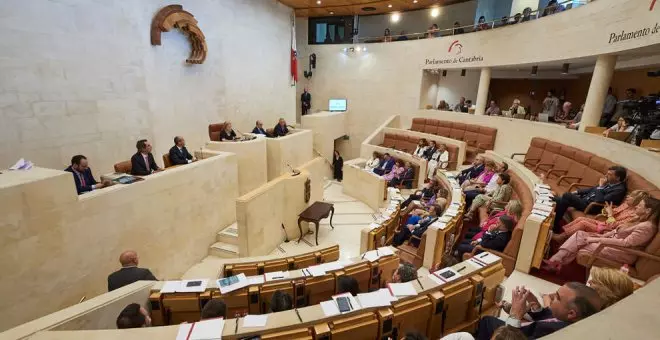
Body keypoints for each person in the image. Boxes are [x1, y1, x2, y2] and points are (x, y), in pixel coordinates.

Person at [543, 196, 659, 272]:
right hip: (611, 243)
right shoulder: (639, 219)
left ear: (648, 211)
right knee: (580, 234)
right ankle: (557, 261)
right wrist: (602, 236)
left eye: (640, 205)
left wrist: (597, 240)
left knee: (582, 242)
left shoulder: (647, 227)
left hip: (620, 252)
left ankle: (555, 262)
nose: (637, 206)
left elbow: (626, 243)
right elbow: (616, 230)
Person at [476, 283, 602, 340]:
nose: (551, 297)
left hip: (514, 335)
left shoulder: (559, 333)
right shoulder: (565, 318)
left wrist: (515, 315)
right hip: (523, 328)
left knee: (487, 322)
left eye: (557, 297)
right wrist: (536, 306)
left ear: (571, 314)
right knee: (488, 320)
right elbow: (549, 316)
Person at [552, 165, 628, 232]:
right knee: (556, 199)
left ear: (618, 178)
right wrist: (576, 192)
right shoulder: (611, 182)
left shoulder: (619, 190)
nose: (606, 175)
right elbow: (592, 189)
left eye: (609, 174)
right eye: (607, 173)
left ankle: (556, 224)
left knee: (566, 196)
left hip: (592, 207)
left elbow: (601, 201)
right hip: (585, 200)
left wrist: (601, 187)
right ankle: (554, 222)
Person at [552, 190, 648, 243]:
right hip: (604, 223)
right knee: (581, 218)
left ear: (637, 201)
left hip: (608, 231)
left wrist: (610, 214)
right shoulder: (626, 205)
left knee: (583, 223)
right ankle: (564, 234)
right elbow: (611, 212)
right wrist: (606, 211)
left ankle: (560, 237)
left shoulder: (634, 215)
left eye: (631, 196)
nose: (627, 197)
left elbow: (614, 226)